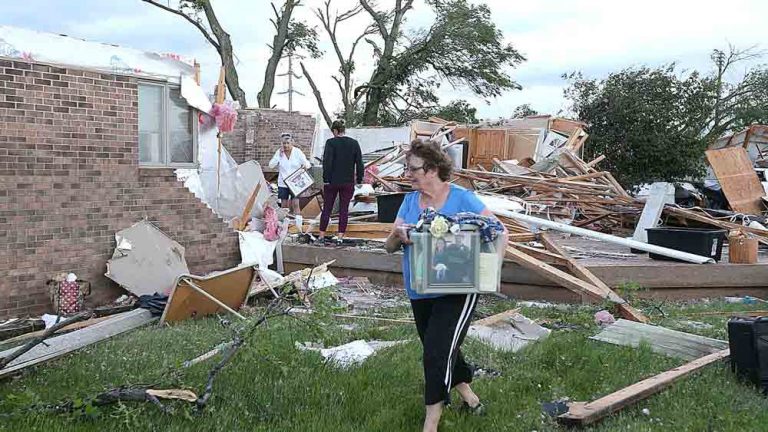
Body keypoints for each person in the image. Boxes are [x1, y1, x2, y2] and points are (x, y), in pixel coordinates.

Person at [384, 139, 507, 432]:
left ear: (433, 168)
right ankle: (469, 397)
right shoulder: (410, 201)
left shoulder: (462, 198)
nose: (407, 174)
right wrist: (398, 235)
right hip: (420, 288)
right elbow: (388, 246)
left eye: (412, 169)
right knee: (439, 345)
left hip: (458, 289)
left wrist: (491, 267)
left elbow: (500, 232)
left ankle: (431, 422)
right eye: (407, 168)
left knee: (436, 353)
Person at [317, 120, 364, 245]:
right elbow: (359, 162)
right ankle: (340, 237)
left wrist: (325, 179)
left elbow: (327, 162)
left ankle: (321, 235)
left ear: (335, 131)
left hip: (332, 181)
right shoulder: (354, 143)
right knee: (344, 209)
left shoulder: (330, 143)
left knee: (327, 208)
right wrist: (359, 179)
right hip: (348, 182)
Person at [268, 132, 310, 214]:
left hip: (295, 182)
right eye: (284, 143)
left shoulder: (297, 152)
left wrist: (305, 166)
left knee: (295, 203)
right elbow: (271, 166)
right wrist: (278, 156)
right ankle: (285, 224)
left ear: (292, 142)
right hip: (283, 182)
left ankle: (297, 223)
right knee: (284, 205)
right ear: (281, 143)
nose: (286, 145)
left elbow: (307, 164)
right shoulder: (279, 152)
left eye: (288, 143)